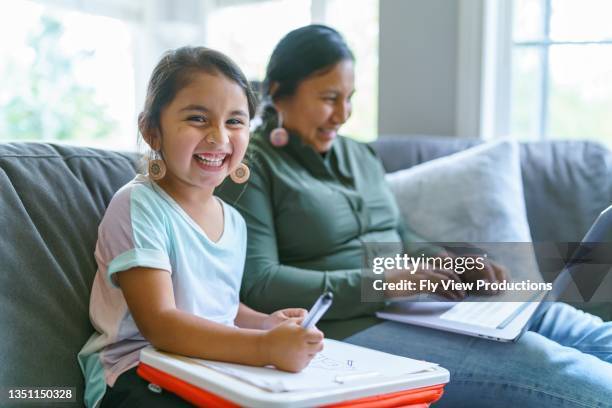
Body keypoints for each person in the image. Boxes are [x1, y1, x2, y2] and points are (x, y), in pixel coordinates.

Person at [217, 25, 612, 407]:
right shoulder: (251, 168)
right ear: (276, 93)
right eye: (328, 98)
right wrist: (383, 283)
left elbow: (399, 241)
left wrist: (454, 264)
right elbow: (260, 284)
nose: (343, 114)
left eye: (349, 98)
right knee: (551, 367)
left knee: (595, 335)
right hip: (346, 329)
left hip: (421, 310)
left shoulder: (359, 156)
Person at [78, 46, 324, 408]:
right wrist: (263, 348)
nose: (220, 137)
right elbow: (160, 324)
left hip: (207, 367)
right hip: (136, 373)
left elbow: (220, 308)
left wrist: (265, 324)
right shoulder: (138, 205)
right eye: (197, 118)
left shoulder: (234, 221)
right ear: (151, 131)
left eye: (235, 121)